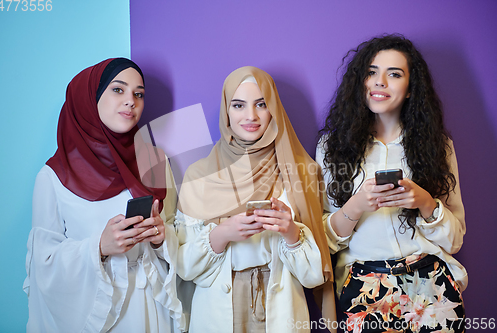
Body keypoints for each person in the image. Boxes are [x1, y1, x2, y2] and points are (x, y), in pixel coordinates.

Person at [24, 58, 189, 332]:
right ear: (90, 97)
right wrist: (98, 247)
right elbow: (43, 264)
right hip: (99, 313)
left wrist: (162, 238)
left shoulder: (156, 160)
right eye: (118, 90)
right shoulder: (53, 177)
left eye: (139, 94)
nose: (130, 101)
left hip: (151, 310)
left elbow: (177, 231)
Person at [316, 35, 466, 333]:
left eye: (394, 74)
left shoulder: (439, 147)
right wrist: (357, 205)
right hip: (364, 288)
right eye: (371, 72)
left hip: (430, 284)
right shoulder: (331, 147)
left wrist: (424, 203)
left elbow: (455, 240)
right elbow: (323, 241)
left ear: (411, 89)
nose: (380, 82)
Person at [174, 66, 336, 333]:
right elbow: (185, 269)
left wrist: (291, 233)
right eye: (238, 105)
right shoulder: (199, 175)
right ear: (227, 111)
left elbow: (314, 275)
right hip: (217, 308)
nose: (251, 116)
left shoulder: (300, 171)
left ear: (273, 108)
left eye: (261, 104)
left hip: (282, 307)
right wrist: (223, 234)